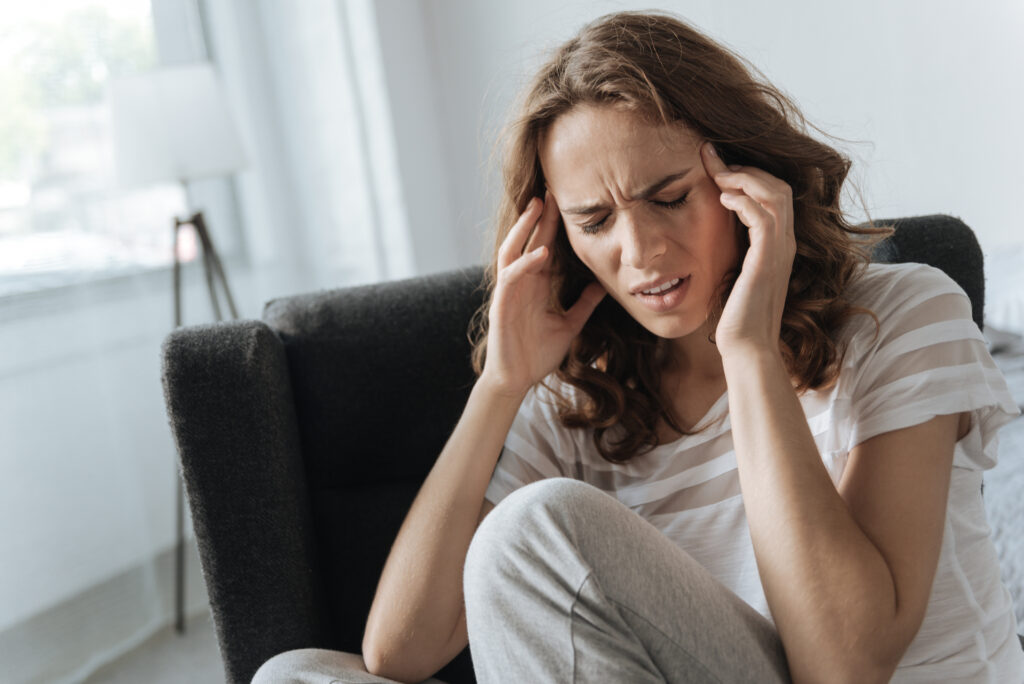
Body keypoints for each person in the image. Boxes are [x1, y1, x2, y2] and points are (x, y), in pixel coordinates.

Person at [252, 10, 1024, 684]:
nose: (642, 250)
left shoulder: (904, 314)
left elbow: (845, 666)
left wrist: (750, 352)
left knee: (533, 526)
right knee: (295, 676)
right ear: (558, 238)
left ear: (745, 177)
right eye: (595, 221)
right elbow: (399, 651)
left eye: (669, 198)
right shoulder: (580, 400)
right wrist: (502, 385)